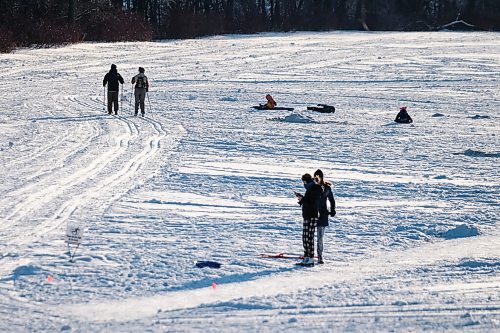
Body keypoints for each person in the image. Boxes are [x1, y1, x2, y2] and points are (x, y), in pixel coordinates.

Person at [295, 173, 322, 267]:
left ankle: (310, 258)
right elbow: (308, 201)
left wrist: (302, 198)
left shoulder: (315, 189)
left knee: (309, 237)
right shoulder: (310, 189)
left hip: (312, 216)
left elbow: (311, 203)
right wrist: (301, 199)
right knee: (305, 237)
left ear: (305, 181)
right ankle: (306, 257)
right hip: (307, 215)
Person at [313, 169, 336, 264]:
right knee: (309, 236)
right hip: (312, 214)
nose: (316, 178)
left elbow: (332, 200)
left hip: (322, 215)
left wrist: (332, 209)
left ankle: (320, 256)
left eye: (318, 176)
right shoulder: (312, 187)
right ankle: (309, 254)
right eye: (315, 177)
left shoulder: (326, 188)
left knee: (320, 237)